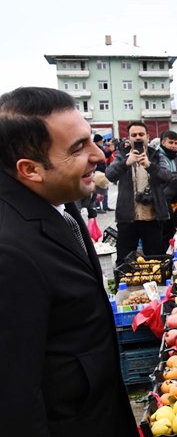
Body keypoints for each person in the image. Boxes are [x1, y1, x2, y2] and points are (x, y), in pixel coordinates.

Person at [0, 87, 138, 436]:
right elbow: (14, 396)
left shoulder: (58, 199)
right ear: (30, 169)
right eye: (78, 148)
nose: (98, 155)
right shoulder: (10, 252)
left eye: (91, 140)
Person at [105, 121, 172, 265]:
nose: (138, 137)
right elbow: (109, 175)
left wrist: (149, 165)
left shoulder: (155, 155)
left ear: (148, 137)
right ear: (128, 138)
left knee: (154, 261)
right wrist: (126, 163)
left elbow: (167, 176)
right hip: (127, 219)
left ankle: (155, 288)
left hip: (152, 218)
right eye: (134, 135)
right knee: (124, 261)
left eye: (141, 134)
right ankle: (124, 286)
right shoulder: (122, 156)